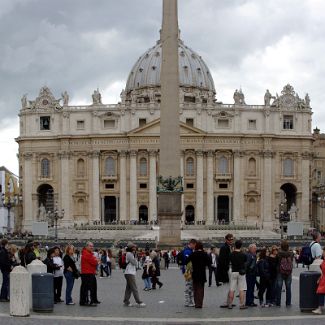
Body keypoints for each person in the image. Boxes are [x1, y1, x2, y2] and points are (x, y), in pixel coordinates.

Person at [187, 241, 210, 308]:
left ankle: (196, 303)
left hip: (195, 273)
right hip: (202, 273)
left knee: (195, 289)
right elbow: (209, 262)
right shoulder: (205, 254)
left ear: (196, 246)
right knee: (201, 289)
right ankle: (200, 303)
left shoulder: (193, 254)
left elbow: (187, 261)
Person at [225, 240, 247, 309]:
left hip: (233, 271)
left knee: (232, 289)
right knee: (241, 289)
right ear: (241, 246)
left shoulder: (231, 254)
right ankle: (241, 304)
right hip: (241, 272)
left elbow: (229, 261)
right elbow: (245, 262)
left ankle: (230, 304)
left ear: (235, 245)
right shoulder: (243, 254)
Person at [123, 243, 146, 307]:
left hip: (129, 272)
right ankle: (138, 301)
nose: (135, 248)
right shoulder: (129, 254)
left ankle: (126, 301)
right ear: (131, 248)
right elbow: (134, 263)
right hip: (129, 273)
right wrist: (135, 257)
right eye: (134, 247)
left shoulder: (131, 254)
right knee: (134, 288)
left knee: (129, 288)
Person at [80, 242, 99, 306]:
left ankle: (85, 301)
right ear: (86, 247)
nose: (92, 247)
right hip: (87, 273)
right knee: (89, 288)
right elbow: (95, 262)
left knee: (86, 288)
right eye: (90, 246)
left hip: (89, 272)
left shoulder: (88, 253)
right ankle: (88, 301)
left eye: (92, 246)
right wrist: (96, 260)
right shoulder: (87, 254)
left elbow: (94, 262)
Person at [275, 240, 293, 307]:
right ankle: (288, 302)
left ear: (281, 246)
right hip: (288, 272)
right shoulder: (291, 253)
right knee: (288, 288)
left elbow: (277, 262)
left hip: (280, 271)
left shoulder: (279, 254)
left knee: (279, 287)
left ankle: (278, 302)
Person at [181, 239, 197, 307]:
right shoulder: (187, 251)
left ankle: (190, 301)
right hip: (188, 271)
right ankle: (187, 302)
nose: (195, 246)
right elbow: (188, 262)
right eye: (194, 245)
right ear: (191, 244)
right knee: (188, 287)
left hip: (189, 271)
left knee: (190, 287)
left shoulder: (189, 250)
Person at [312, 247, 325, 314]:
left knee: (321, 292)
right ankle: (321, 307)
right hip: (323, 279)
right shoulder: (323, 260)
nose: (322, 253)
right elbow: (323, 271)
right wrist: (320, 277)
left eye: (323, 252)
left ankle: (320, 308)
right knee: (321, 292)